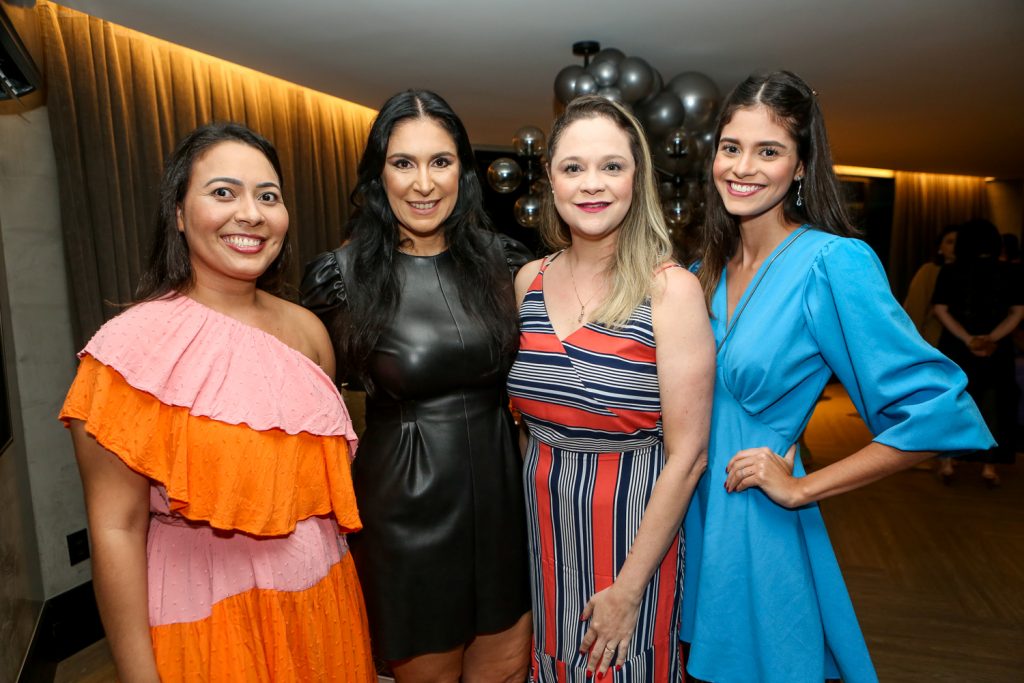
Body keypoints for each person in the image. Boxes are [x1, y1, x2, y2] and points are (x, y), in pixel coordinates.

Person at [679, 71, 993, 683]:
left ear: (800, 167)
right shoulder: (703, 269)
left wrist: (803, 487)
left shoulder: (831, 262)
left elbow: (937, 409)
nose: (742, 167)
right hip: (690, 516)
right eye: (731, 147)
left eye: (768, 150)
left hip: (755, 519)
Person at [61, 122, 375, 681]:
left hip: (324, 605)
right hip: (208, 620)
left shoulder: (309, 332)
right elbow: (117, 529)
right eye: (223, 192)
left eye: (268, 196)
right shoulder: (128, 352)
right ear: (178, 214)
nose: (250, 214)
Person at [301, 90, 532, 683]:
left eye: (441, 161)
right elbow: (303, 403)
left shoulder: (506, 263)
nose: (423, 183)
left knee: (506, 669)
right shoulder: (341, 278)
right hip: (404, 516)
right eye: (403, 163)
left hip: (505, 504)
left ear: (464, 170)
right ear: (379, 174)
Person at [507, 95, 714, 682]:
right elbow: (523, 425)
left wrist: (628, 589)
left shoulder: (670, 292)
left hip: (630, 531)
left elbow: (688, 457)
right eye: (573, 167)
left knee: (620, 668)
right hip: (541, 525)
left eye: (611, 166)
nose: (591, 184)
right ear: (550, 179)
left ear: (636, 177)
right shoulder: (530, 279)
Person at [933, 218, 1024, 487]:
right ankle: (989, 467)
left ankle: (948, 462)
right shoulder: (1010, 272)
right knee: (994, 407)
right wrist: (991, 339)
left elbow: (940, 310)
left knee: (953, 402)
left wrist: (968, 339)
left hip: (956, 347)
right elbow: (1018, 312)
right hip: (998, 350)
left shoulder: (949, 271)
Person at [903, 224, 958, 346]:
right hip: (932, 340)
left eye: (959, 241)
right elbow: (916, 307)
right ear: (940, 248)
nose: (955, 246)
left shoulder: (967, 273)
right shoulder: (929, 271)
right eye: (950, 242)